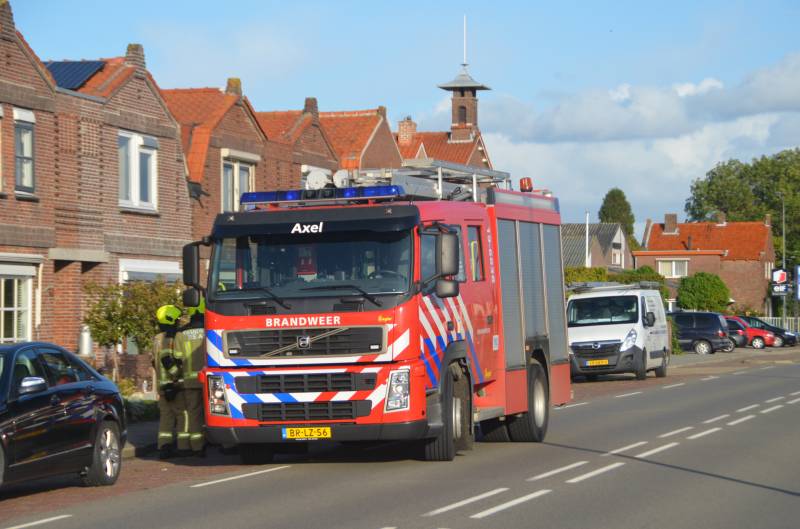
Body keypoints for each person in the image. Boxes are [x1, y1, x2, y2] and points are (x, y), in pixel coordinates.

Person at [175, 297, 206, 457]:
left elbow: (178, 357)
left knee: (194, 414)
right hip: (209, 380)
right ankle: (227, 445)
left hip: (190, 381)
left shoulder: (181, 334)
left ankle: (197, 447)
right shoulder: (210, 330)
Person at [153, 304, 185, 460]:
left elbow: (154, 362)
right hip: (175, 384)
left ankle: (164, 446)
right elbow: (172, 361)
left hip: (162, 386)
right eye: (177, 319)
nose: (179, 322)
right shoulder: (172, 338)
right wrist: (177, 376)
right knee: (181, 415)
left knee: (165, 417)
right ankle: (182, 445)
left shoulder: (156, 339)